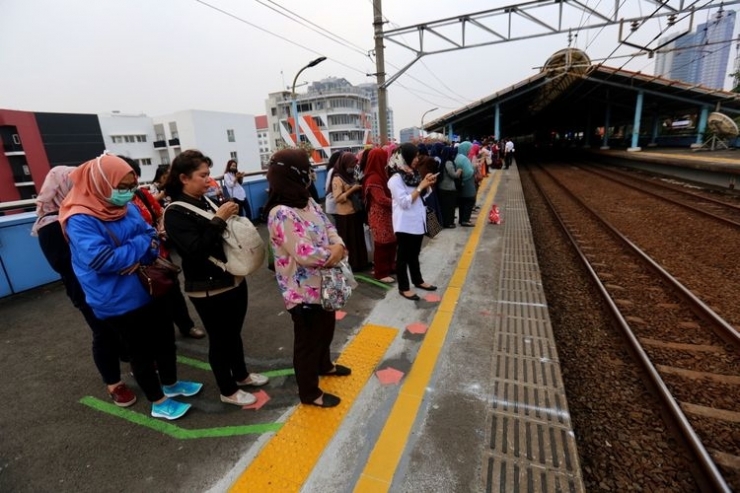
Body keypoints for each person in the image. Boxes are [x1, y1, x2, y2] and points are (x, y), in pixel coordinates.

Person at [59, 153, 201, 420]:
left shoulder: (126, 207)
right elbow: (102, 260)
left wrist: (134, 252)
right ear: (101, 182)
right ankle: (158, 401)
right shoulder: (79, 217)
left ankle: (171, 384)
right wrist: (139, 247)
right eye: (121, 186)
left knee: (164, 339)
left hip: (148, 285)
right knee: (140, 351)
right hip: (116, 297)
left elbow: (151, 235)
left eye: (130, 186)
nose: (127, 193)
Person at [163, 149, 269, 407]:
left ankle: (241, 375)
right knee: (220, 339)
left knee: (233, 334)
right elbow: (196, 251)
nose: (208, 180)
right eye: (203, 175)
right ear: (183, 178)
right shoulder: (175, 213)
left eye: (209, 174)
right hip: (208, 287)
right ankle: (228, 389)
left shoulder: (205, 201)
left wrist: (224, 216)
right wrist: (220, 219)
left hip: (231, 278)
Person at [32, 166, 135, 407]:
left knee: (121, 325)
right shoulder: (51, 224)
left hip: (110, 282)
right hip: (86, 289)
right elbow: (62, 264)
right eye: (74, 185)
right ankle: (113, 383)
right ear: (61, 189)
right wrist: (104, 260)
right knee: (103, 332)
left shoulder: (86, 212)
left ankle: (128, 356)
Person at [265, 149, 350, 408]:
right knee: (307, 343)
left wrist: (338, 245)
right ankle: (310, 393)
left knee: (326, 329)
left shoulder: (307, 201)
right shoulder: (280, 212)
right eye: (307, 169)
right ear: (295, 174)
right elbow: (303, 253)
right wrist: (335, 252)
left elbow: (329, 227)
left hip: (328, 280)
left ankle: (325, 365)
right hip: (302, 291)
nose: (311, 174)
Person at [120, 157, 205, 340]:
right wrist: (146, 239)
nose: (130, 186)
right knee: (150, 301)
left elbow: (160, 214)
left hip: (160, 255)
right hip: (135, 263)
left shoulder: (142, 195)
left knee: (173, 292)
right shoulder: (104, 210)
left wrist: (159, 228)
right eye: (124, 183)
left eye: (133, 180)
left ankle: (186, 326)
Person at [387, 143, 438, 301]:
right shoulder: (395, 179)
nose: (417, 159)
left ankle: (418, 280)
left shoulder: (414, 173)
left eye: (417, 156)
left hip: (417, 221)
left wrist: (428, 184)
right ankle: (404, 287)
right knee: (403, 257)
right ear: (405, 157)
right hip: (404, 224)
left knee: (415, 254)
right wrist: (421, 186)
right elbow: (404, 202)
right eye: (414, 156)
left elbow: (423, 195)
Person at [362, 148, 396, 284]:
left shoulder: (380, 174)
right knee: (382, 243)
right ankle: (380, 273)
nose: (387, 161)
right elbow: (380, 199)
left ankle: (389, 267)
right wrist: (399, 202)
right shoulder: (374, 178)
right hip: (379, 216)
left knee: (391, 241)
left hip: (387, 214)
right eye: (385, 158)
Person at [332, 152, 369, 271]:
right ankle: (351, 265)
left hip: (355, 212)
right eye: (351, 165)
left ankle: (361, 263)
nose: (352, 167)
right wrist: (351, 190)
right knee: (349, 241)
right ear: (345, 163)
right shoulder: (337, 178)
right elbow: (338, 198)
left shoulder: (351, 176)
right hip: (345, 215)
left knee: (358, 240)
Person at [455, 141, 477, 227]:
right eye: (469, 149)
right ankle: (465, 220)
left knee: (462, 203)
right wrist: (474, 168)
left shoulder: (458, 157)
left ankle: (461, 219)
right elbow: (470, 172)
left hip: (461, 183)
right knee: (469, 201)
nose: (469, 150)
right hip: (467, 183)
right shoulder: (464, 158)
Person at [437, 146, 460, 228]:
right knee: (450, 207)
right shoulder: (448, 162)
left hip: (442, 187)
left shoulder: (442, 162)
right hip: (448, 188)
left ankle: (444, 222)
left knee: (444, 207)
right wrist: (459, 171)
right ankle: (449, 223)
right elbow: (453, 175)